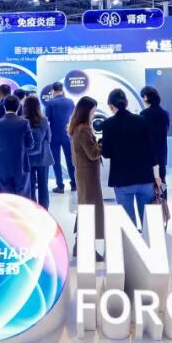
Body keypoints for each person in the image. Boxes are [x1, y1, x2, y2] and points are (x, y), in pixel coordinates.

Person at [100, 89, 159, 228]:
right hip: (145, 177)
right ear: (126, 103)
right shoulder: (142, 120)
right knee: (148, 224)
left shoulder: (108, 124)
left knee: (128, 224)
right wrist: (157, 175)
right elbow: (152, 150)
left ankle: (132, 241)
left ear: (111, 106)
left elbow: (106, 153)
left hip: (122, 179)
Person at [70, 97, 104, 245]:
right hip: (88, 176)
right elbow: (93, 154)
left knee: (86, 207)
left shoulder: (78, 128)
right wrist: (102, 144)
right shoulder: (83, 130)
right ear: (86, 111)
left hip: (84, 174)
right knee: (91, 209)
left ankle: (81, 245)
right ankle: (86, 246)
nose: (94, 114)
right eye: (93, 111)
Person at [0, 95, 32, 197]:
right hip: (21, 165)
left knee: (4, 199)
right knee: (21, 198)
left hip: (1, 166)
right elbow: (30, 144)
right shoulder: (24, 123)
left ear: (4, 107)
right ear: (18, 107)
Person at [45, 82, 76, 194]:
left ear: (53, 90)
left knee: (56, 162)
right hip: (68, 134)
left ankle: (60, 186)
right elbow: (74, 117)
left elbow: (47, 119)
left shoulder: (50, 103)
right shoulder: (70, 102)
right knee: (71, 160)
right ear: (62, 90)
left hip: (54, 135)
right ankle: (74, 184)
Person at [139, 86, 170, 196]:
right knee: (162, 180)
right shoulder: (165, 113)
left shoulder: (144, 114)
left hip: (148, 154)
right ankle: (164, 202)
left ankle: (153, 205)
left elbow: (142, 136)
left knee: (150, 184)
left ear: (146, 97)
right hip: (162, 153)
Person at [23, 95, 53, 208]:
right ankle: (44, 210)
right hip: (43, 156)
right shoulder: (44, 120)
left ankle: (33, 209)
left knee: (30, 185)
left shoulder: (22, 120)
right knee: (43, 185)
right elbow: (49, 138)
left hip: (28, 157)